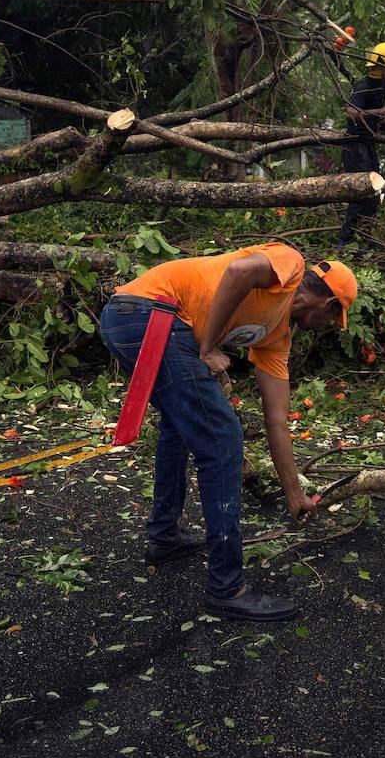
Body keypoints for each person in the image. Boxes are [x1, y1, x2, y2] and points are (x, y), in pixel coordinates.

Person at [100, 244, 358, 622]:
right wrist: (206, 350)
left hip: (142, 319)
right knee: (223, 439)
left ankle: (164, 537)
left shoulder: (276, 338)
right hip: (148, 313)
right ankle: (226, 587)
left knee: (180, 425)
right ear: (327, 303)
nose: (330, 327)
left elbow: (277, 421)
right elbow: (238, 272)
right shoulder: (289, 264)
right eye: (335, 317)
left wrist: (295, 495)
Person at [338, 41, 385, 251]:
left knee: (375, 193)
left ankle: (364, 238)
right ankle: (345, 242)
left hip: (368, 144)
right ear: (383, 67)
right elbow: (351, 113)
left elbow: (377, 113)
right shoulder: (363, 86)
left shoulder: (383, 87)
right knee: (362, 193)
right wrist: (379, 113)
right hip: (354, 145)